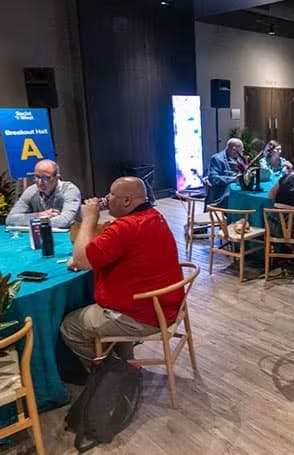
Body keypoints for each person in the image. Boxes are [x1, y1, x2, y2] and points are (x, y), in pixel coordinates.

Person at [60, 177, 184, 366]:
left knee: (70, 326)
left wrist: (89, 219)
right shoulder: (154, 216)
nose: (107, 198)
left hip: (142, 316)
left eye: (111, 194)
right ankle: (120, 359)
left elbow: (81, 260)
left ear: (127, 201)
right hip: (168, 305)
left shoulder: (124, 228)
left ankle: (112, 373)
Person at [6, 159, 81, 229]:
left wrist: (34, 220)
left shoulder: (69, 190)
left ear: (57, 177)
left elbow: (64, 222)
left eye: (45, 178)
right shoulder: (31, 191)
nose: (39, 182)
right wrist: (39, 215)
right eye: (36, 177)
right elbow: (10, 219)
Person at [206, 138, 247, 207]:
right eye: (241, 151)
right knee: (243, 201)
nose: (242, 153)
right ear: (234, 149)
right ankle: (237, 216)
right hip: (221, 196)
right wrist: (233, 179)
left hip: (236, 192)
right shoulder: (217, 159)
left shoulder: (239, 158)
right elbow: (213, 178)